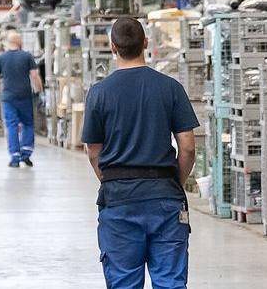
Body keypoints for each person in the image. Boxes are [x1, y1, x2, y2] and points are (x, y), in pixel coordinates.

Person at [83, 17, 198, 289]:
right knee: (170, 282)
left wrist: (111, 181)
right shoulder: (170, 88)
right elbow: (188, 147)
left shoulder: (99, 93)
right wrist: (175, 183)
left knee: (124, 282)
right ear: (145, 43)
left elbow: (93, 151)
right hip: (165, 199)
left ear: (113, 47)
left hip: (119, 200)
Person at [0, 30, 44, 168]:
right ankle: (26, 154)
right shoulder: (27, 56)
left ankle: (15, 157)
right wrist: (40, 92)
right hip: (25, 96)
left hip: (8, 98)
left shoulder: (1, 58)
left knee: (11, 126)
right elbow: (35, 76)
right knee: (27, 124)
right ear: (19, 41)